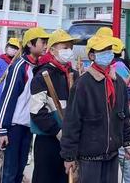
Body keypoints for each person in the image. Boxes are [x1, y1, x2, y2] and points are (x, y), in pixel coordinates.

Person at [60, 33, 130, 183]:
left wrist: (127, 143)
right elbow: (72, 121)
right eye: (103, 50)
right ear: (92, 55)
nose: (108, 53)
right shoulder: (82, 84)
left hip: (112, 154)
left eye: (109, 49)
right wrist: (69, 155)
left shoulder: (118, 82)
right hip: (89, 157)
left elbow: (124, 116)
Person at [0, 27, 50, 183]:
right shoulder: (20, 67)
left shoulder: (39, 67)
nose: (45, 45)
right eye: (42, 42)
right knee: (10, 171)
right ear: (30, 44)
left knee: (20, 169)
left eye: (46, 42)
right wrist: (3, 129)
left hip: (29, 126)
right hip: (14, 126)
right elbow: (8, 98)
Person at [30, 29, 78, 183]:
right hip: (48, 140)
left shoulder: (74, 75)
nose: (68, 51)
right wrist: (57, 131)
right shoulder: (42, 75)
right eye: (64, 47)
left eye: (70, 47)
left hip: (69, 141)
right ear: (52, 50)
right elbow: (36, 111)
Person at [0, 37, 21, 158]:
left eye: (15, 48)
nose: (12, 50)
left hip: (10, 99)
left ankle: (4, 147)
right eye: (11, 47)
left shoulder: (17, 63)